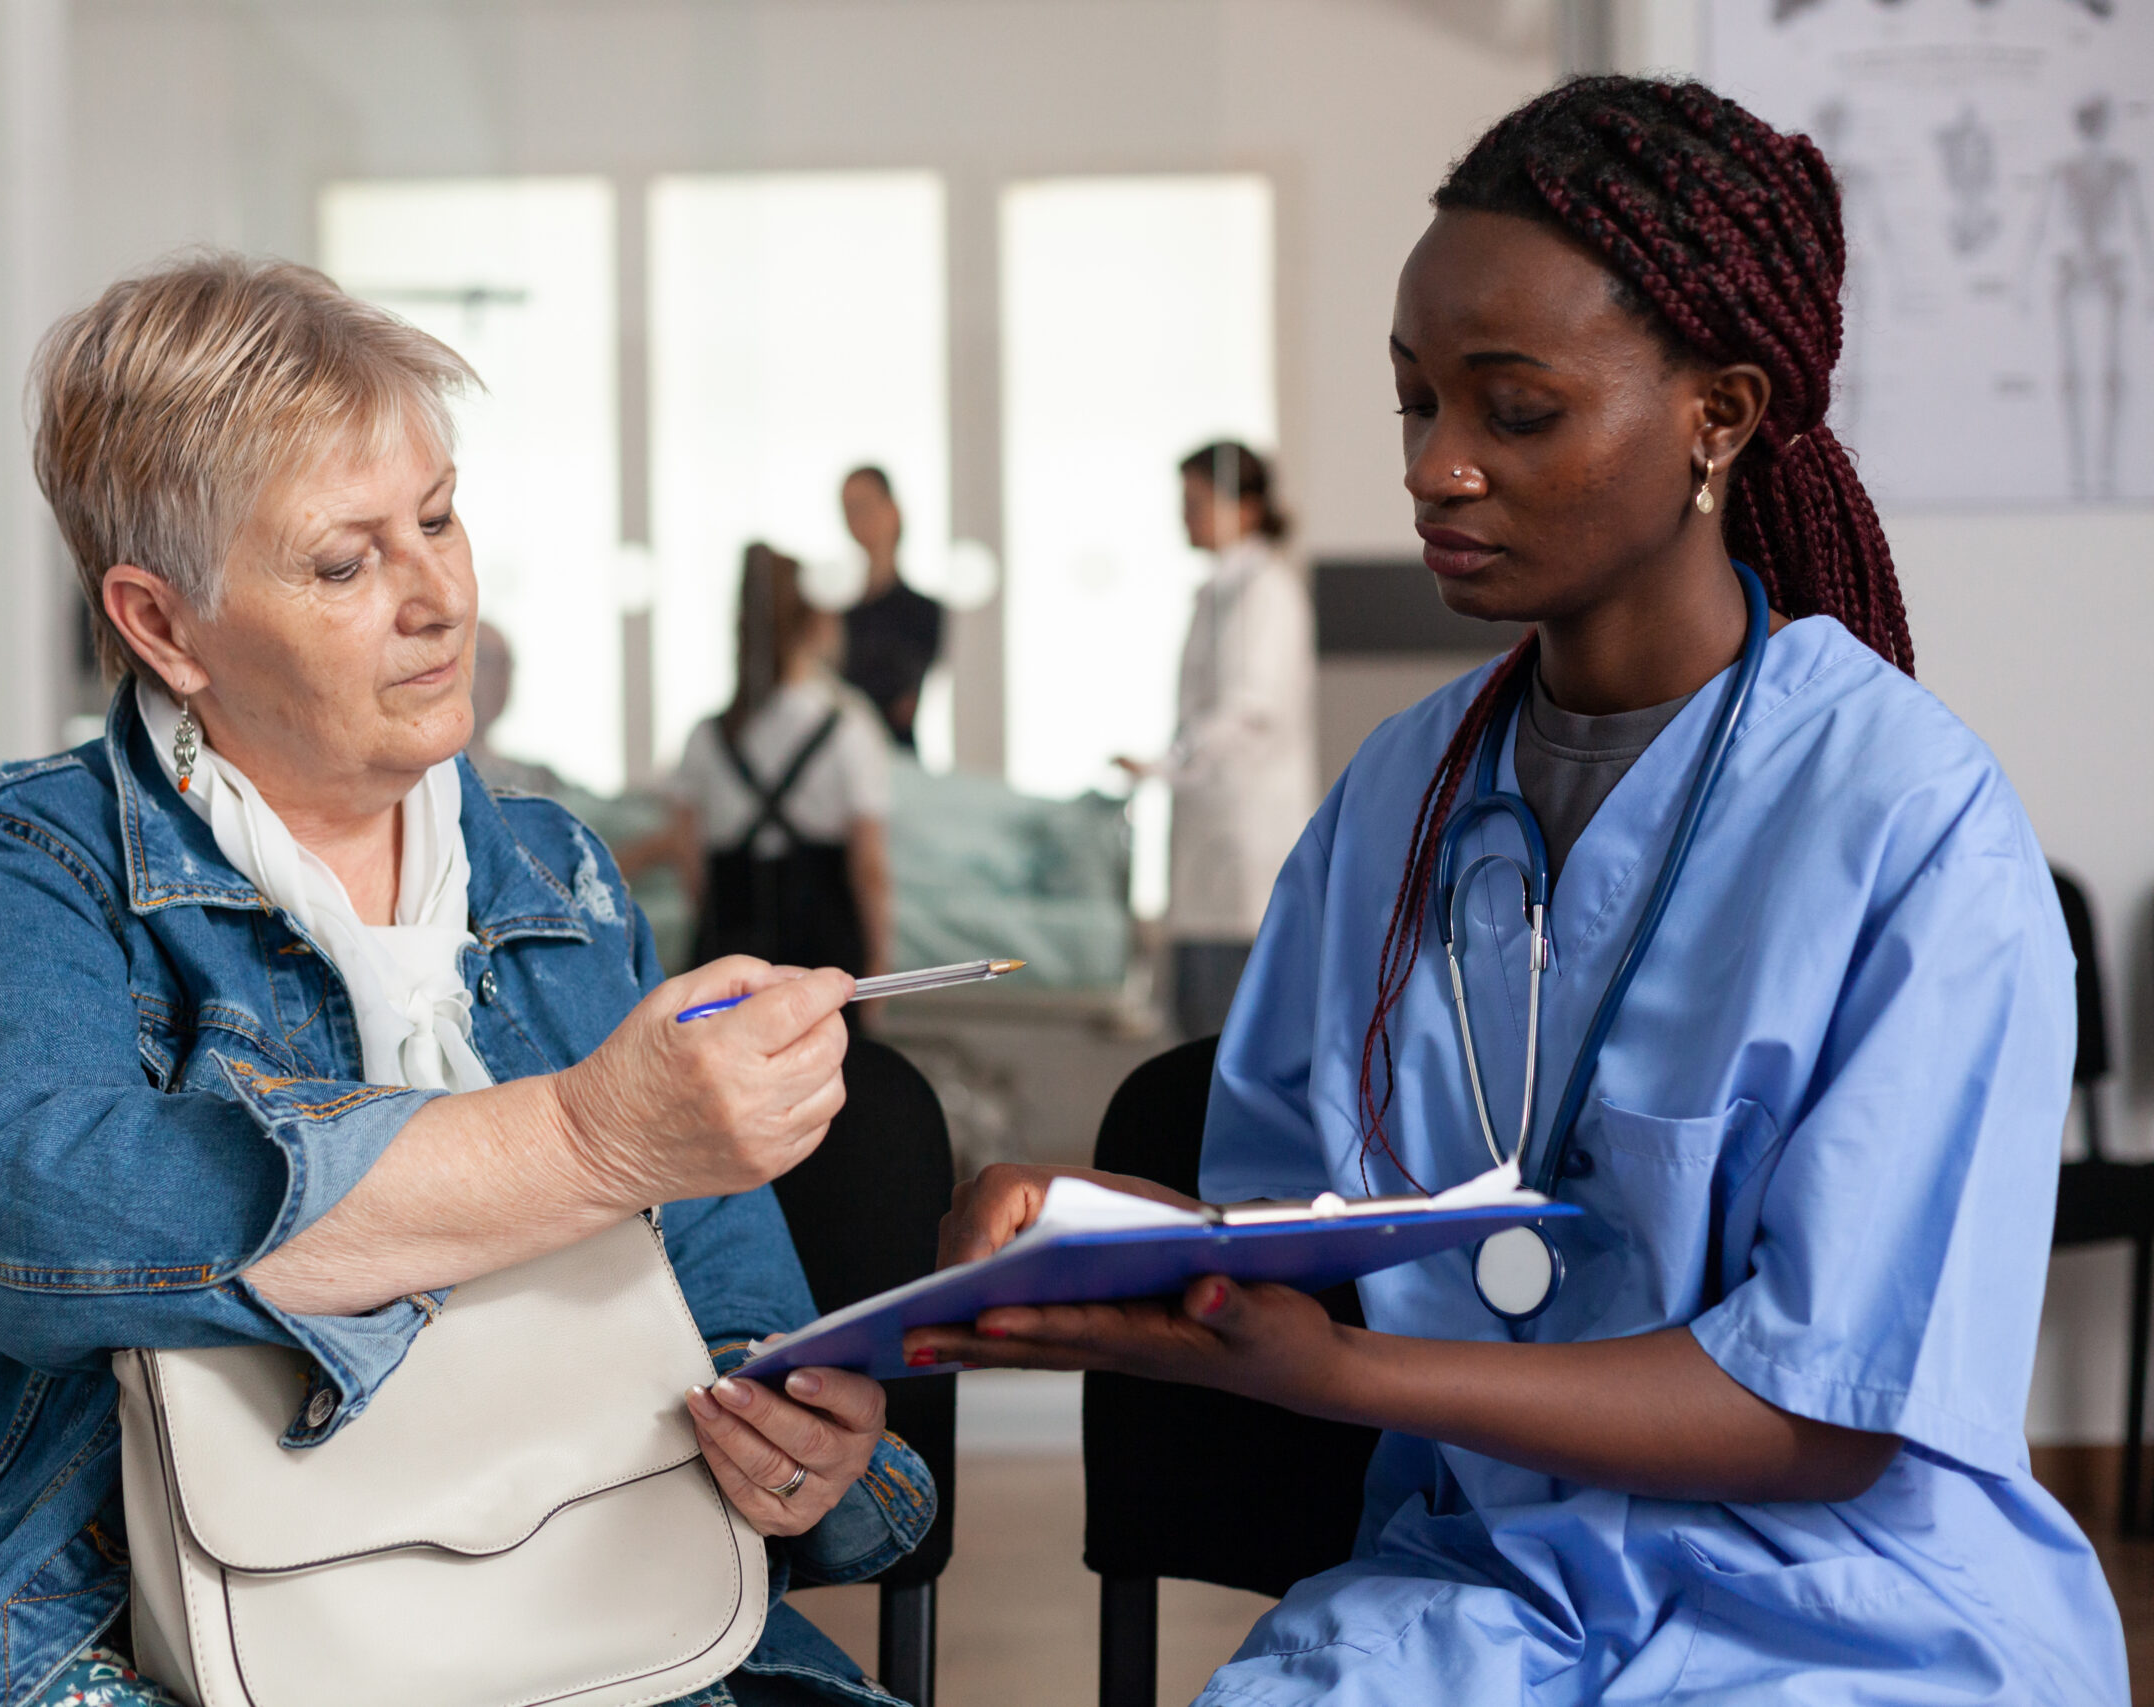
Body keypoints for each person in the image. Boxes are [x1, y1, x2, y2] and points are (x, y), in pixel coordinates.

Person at [909, 76, 2124, 1702]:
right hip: (1478, 1592)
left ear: (1720, 414)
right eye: (1417, 404)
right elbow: (1303, 1235)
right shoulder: (1394, 807)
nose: (1441, 468)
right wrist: (1087, 1227)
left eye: (1516, 411)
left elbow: (1829, 1414)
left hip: (1849, 1616)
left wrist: (1352, 1372)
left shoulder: (1908, 823)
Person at [0, 255, 932, 1707]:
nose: (440, 598)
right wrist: (582, 1143)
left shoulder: (558, 874)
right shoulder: (19, 858)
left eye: (439, 517)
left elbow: (735, 1316)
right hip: (91, 1606)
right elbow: (27, 1205)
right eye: (345, 561)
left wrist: (798, 1438)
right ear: (164, 623)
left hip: (580, 1595)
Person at [1118, 442, 1316, 1040]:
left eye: (1196, 502)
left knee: (1234, 1025)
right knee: (1201, 1020)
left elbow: (1250, 712)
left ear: (1247, 507)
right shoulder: (1219, 592)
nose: (1185, 516)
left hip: (1246, 841)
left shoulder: (1267, 592)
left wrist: (1166, 763)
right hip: (1211, 836)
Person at [671, 543, 894, 989]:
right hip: (823, 944)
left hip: (726, 942)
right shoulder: (848, 727)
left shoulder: (707, 735)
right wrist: (880, 959)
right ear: (815, 622)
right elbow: (868, 866)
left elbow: (688, 858)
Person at [837, 465, 943, 753]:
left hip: (893, 762)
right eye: (848, 509)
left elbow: (900, 704)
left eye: (864, 506)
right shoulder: (838, 616)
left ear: (891, 510)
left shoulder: (922, 611)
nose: (857, 518)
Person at [464, 618, 567, 795]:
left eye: (505, 664)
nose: (499, 677)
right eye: (486, 661)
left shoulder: (538, 779)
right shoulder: (430, 774)